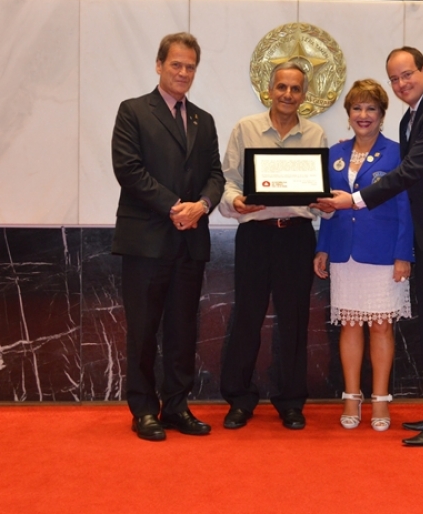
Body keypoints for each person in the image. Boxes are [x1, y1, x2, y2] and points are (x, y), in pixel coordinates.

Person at [316, 46, 423, 447]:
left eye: (407, 74)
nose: (401, 83)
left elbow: (412, 171)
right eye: (394, 78)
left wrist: (354, 199)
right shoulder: (414, 116)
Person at [111, 32, 225, 441]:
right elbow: (128, 169)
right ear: (159, 65)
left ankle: (176, 406)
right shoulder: (133, 111)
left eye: (190, 66)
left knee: (182, 330)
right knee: (143, 331)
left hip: (189, 243)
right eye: (176, 64)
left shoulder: (203, 120)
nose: (183, 72)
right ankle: (144, 409)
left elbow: (216, 175)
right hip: (146, 242)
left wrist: (202, 205)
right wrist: (177, 206)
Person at [218, 61, 328, 431]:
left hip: (296, 236)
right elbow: (228, 181)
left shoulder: (315, 135)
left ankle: (291, 402)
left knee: (295, 321)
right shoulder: (245, 128)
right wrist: (235, 202)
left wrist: (324, 203)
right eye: (282, 87)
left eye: (295, 89)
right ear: (269, 90)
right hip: (255, 235)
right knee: (247, 317)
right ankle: (239, 399)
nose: (288, 94)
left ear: (304, 95)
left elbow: (319, 192)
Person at [313, 79, 414, 432]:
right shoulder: (335, 154)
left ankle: (381, 399)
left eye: (371, 108)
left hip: (383, 253)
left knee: (382, 325)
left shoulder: (397, 153)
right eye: (357, 107)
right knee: (351, 324)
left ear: (382, 114)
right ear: (348, 113)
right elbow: (328, 205)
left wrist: (404, 254)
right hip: (344, 251)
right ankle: (351, 396)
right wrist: (323, 247)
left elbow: (405, 207)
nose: (363, 114)